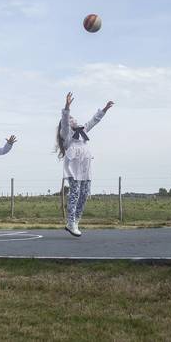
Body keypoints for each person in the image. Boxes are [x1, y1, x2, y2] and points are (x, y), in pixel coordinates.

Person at [56, 92, 114, 237]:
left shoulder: (83, 131)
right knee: (74, 194)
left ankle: (76, 221)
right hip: (73, 169)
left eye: (72, 117)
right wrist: (67, 107)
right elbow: (64, 120)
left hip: (86, 169)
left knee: (84, 195)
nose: (72, 119)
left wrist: (105, 109)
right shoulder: (66, 135)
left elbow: (94, 120)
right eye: (69, 119)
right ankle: (70, 222)